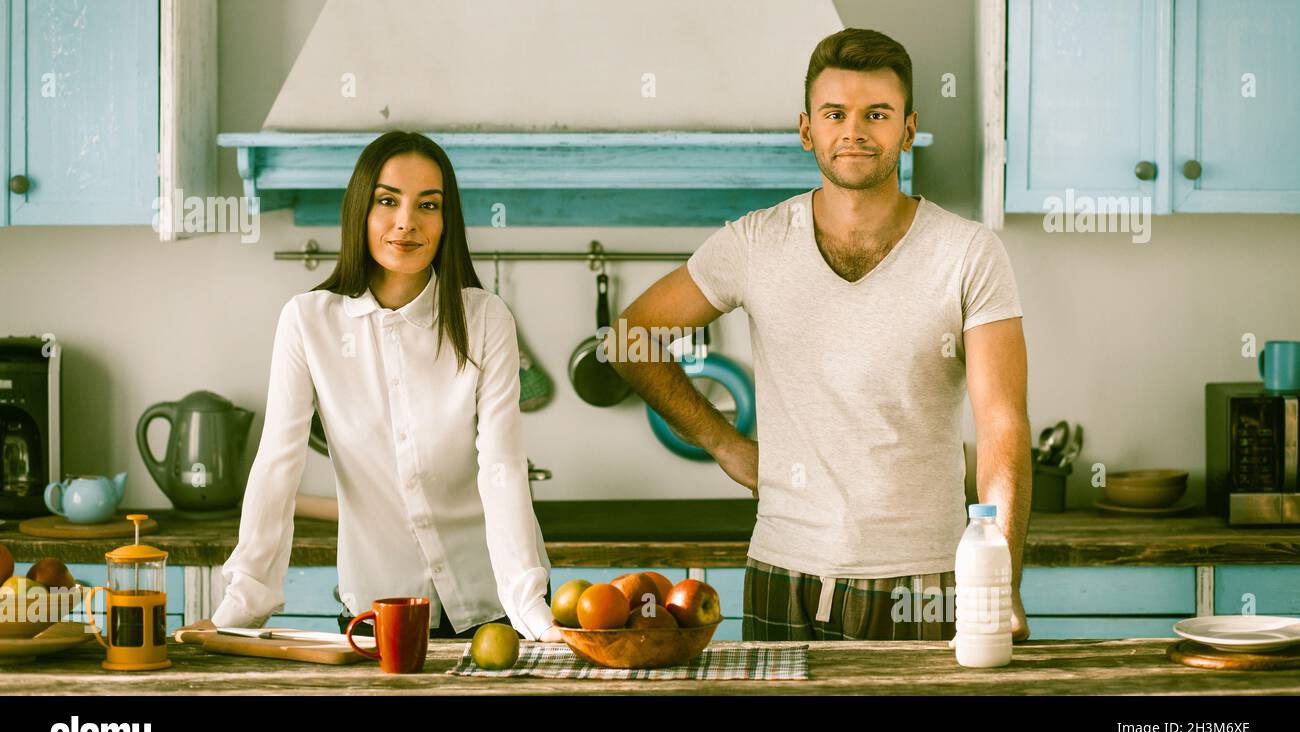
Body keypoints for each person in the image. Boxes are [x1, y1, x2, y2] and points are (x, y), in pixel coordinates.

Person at [608, 29, 1032, 642]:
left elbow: (1003, 425)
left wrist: (1001, 582)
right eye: (835, 113)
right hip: (785, 570)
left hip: (929, 581)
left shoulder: (968, 253)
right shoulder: (755, 243)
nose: (854, 131)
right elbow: (632, 337)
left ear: (907, 129)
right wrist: (725, 445)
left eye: (876, 114)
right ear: (808, 129)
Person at [176, 131, 562, 643]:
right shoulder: (307, 322)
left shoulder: (486, 319)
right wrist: (241, 608)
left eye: (429, 204)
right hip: (378, 611)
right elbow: (277, 468)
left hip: (497, 605)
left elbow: (501, 469)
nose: (407, 222)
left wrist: (529, 609)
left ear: (447, 223)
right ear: (361, 210)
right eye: (387, 201)